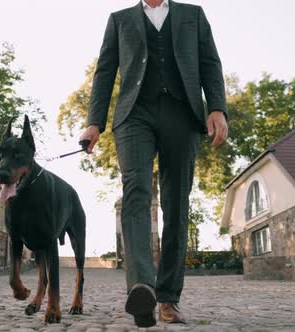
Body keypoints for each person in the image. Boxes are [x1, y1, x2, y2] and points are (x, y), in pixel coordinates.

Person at [79, 0, 228, 327]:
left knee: (176, 204)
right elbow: (105, 71)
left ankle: (169, 299)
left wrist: (217, 107)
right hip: (135, 115)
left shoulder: (194, 15)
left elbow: (209, 63)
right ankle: (141, 287)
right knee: (136, 192)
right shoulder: (119, 20)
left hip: (183, 114)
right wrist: (95, 122)